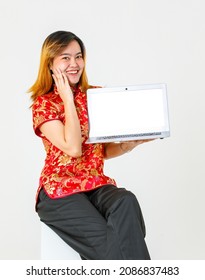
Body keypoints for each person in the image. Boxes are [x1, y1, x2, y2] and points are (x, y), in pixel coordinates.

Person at [28, 30, 153, 260]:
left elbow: (100, 150)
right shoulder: (44, 104)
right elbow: (74, 148)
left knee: (126, 202)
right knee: (113, 245)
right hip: (59, 191)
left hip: (94, 185)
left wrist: (128, 145)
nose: (74, 64)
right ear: (50, 64)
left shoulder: (95, 96)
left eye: (78, 56)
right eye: (65, 58)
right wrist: (68, 99)